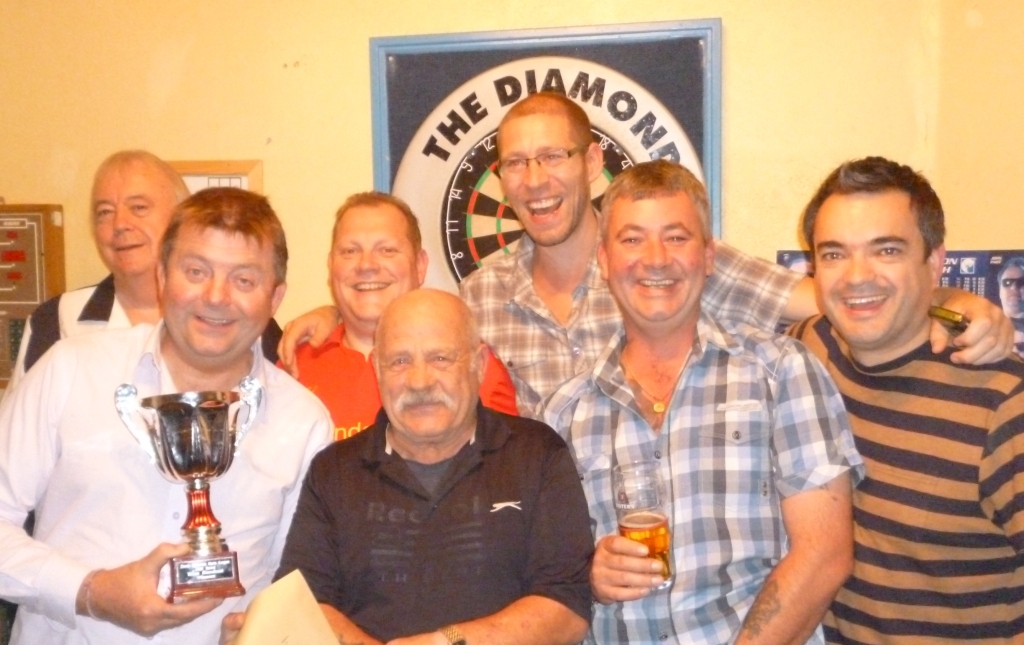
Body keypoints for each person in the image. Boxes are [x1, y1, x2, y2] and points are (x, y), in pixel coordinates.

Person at [278, 92, 1012, 417]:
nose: (535, 180)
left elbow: (841, 295)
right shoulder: (483, 291)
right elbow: (415, 328)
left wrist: (955, 301)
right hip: (551, 559)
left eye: (553, 157)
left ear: (592, 162)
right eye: (517, 164)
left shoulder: (668, 260)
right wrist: (334, 315)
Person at [543, 160, 863, 644]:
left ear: (709, 256)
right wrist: (590, 577)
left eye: (676, 237)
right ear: (603, 261)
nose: (655, 259)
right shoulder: (564, 413)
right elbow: (551, 577)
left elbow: (825, 555)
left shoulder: (779, 371)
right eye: (632, 240)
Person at [0, 187, 333, 644]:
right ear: (161, 276)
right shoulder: (70, 371)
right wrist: (89, 592)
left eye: (244, 280)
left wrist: (260, 629)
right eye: (196, 271)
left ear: (275, 298)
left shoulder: (305, 423)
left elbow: (288, 586)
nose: (216, 297)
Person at [221, 289, 593, 645]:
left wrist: (447, 642)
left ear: (479, 365)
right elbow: (307, 604)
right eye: (399, 361)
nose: (419, 381)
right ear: (377, 369)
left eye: (440, 358)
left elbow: (567, 607)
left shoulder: (536, 453)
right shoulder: (334, 471)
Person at [790, 156, 1024, 643]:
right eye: (834, 254)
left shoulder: (1003, 401)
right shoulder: (805, 352)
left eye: (887, 250)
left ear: (934, 262)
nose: (857, 276)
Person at [3, 150, 282, 400]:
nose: (120, 224)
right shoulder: (55, 322)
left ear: (181, 219)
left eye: (138, 208)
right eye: (104, 212)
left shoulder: (246, 322)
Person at [291, 192, 517, 441]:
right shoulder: (294, 364)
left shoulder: (470, 365)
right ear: (331, 265)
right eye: (350, 251)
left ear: (420, 266)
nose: (366, 265)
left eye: (387, 250)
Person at [997, 256, 1024, 357]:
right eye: (1007, 283)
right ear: (1000, 292)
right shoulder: (987, 327)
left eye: (1021, 282)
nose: (1013, 287)